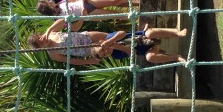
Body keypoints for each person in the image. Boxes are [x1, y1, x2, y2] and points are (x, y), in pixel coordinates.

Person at [27, 23, 189, 66]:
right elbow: (72, 61)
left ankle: (175, 33)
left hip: (86, 37)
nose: (44, 40)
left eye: (41, 37)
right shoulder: (53, 54)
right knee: (115, 44)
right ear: (41, 48)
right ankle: (174, 56)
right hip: (90, 51)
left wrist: (48, 30)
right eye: (41, 43)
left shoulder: (52, 33)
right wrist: (90, 61)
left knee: (115, 36)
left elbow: (62, 21)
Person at [36, 0, 135, 29]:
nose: (50, 0)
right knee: (116, 15)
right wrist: (82, 17)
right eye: (48, 1)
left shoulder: (60, 3)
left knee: (115, 0)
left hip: (87, 2)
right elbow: (74, 28)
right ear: (49, 7)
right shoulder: (58, 20)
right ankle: (137, 16)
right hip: (89, 14)